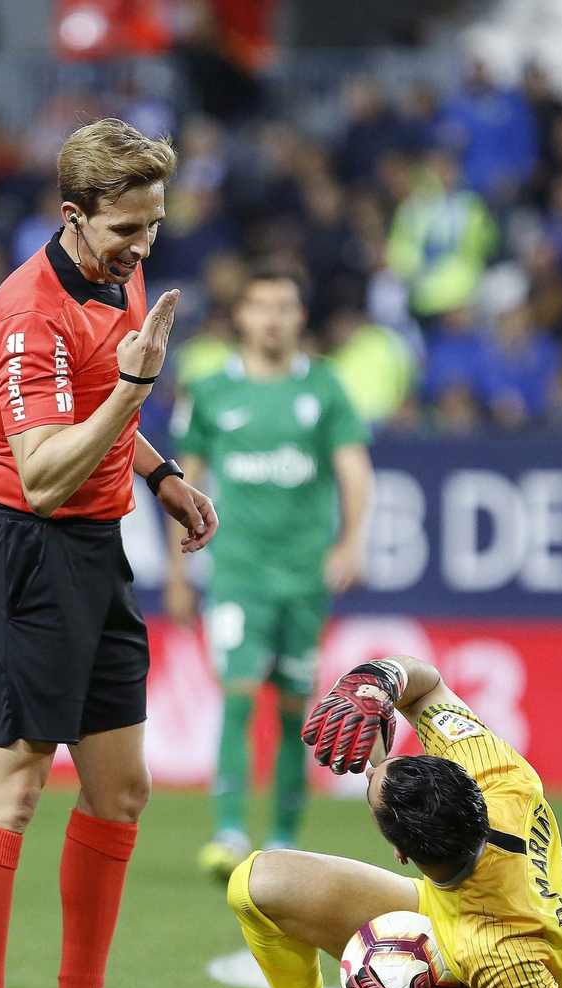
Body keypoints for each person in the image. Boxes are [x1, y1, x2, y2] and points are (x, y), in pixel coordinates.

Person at [0, 118, 218, 988]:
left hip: (100, 550)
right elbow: (44, 467)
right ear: (72, 216)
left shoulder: (115, 272)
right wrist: (137, 393)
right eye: (124, 231)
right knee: (10, 787)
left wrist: (160, 474)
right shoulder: (27, 317)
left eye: (152, 227)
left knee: (121, 789)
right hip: (28, 551)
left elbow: (105, 409)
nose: (141, 247)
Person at [154, 654, 562, 988]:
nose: (371, 768)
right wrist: (377, 684)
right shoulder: (500, 778)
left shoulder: (502, 955)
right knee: (259, 882)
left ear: (401, 853)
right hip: (459, 915)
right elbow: (426, 686)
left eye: (371, 792)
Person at [164, 264, 373, 877]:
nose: (273, 319)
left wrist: (351, 543)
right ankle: (229, 834)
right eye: (262, 307)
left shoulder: (326, 388)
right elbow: (182, 482)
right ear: (242, 318)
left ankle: (282, 837)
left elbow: (354, 470)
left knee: (293, 708)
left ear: (299, 317)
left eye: (285, 307)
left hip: (305, 578)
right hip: (237, 574)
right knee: (235, 694)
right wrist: (179, 574)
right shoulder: (212, 390)